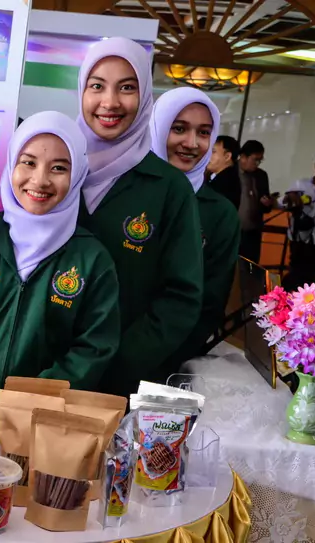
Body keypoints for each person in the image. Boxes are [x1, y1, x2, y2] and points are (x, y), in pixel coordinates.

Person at [0, 111, 121, 393]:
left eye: (58, 168)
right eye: (28, 163)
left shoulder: (91, 259)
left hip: (42, 412)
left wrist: (26, 400)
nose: (40, 180)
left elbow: (92, 349)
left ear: (77, 175)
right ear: (12, 163)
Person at [75, 37, 204, 397]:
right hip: (41, 372)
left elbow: (180, 297)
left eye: (127, 87)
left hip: (120, 383)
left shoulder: (168, 188)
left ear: (145, 95)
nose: (110, 102)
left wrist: (116, 362)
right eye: (97, 86)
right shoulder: (57, 172)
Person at [150, 88, 240, 371]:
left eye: (204, 133)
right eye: (179, 128)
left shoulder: (220, 213)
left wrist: (154, 363)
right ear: (157, 127)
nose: (191, 143)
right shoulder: (127, 193)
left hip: (169, 362)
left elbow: (210, 305)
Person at [281, 151, 315, 291]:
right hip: (298, 236)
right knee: (295, 273)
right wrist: (293, 200)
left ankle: (308, 303)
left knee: (312, 275)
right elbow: (283, 203)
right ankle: (289, 301)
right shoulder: (300, 184)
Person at [238, 139, 273, 263]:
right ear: (243, 157)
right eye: (255, 159)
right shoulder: (230, 173)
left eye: (260, 160)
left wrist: (267, 203)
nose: (257, 163)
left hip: (253, 232)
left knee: (250, 266)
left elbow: (266, 206)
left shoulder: (261, 176)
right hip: (233, 231)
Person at [206, 135, 240, 210]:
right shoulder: (223, 177)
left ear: (227, 156)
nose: (207, 156)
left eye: (213, 151)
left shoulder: (226, 183)